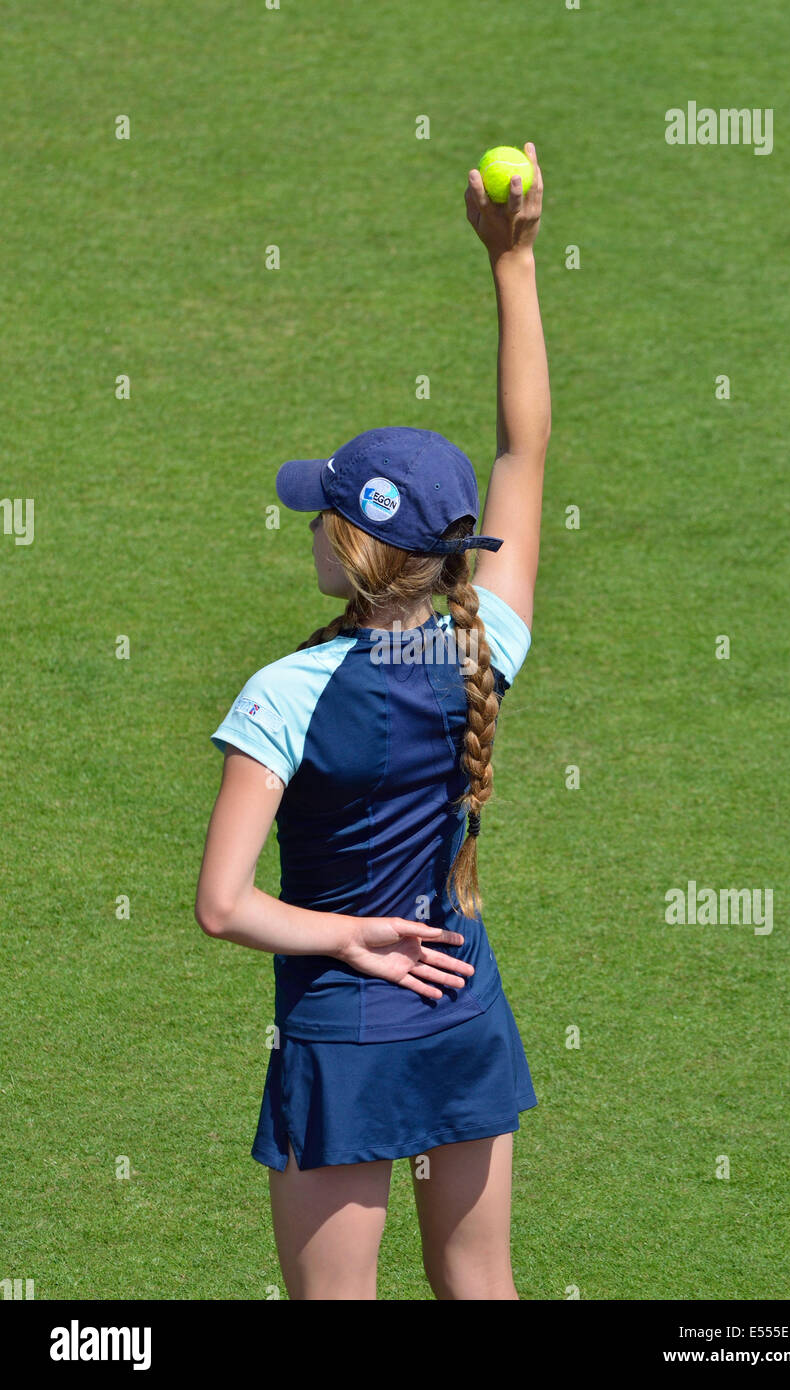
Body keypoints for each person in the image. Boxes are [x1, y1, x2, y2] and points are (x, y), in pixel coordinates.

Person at [195, 142, 550, 1300]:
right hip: (462, 1005)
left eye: (319, 514)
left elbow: (225, 906)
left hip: (344, 1041)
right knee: (478, 1287)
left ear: (347, 544)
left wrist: (343, 936)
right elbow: (521, 447)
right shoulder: (483, 644)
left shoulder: (281, 696)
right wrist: (513, 259)